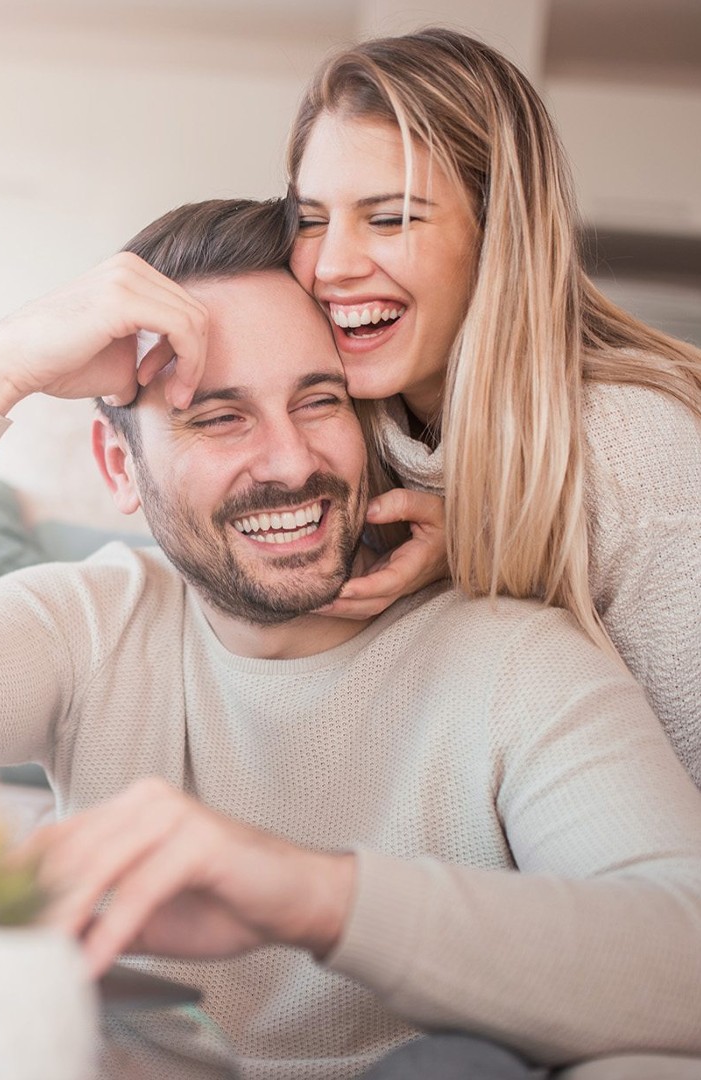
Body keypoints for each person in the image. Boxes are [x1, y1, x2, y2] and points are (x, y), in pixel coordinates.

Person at [0, 199, 701, 1080]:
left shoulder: (513, 660)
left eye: (318, 399)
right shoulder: (88, 625)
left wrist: (312, 896)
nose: (290, 463)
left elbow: (685, 959)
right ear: (116, 467)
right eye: (218, 417)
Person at [283, 27, 701, 786]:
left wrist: (483, 564)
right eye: (311, 219)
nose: (331, 265)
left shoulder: (634, 453)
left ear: (496, 233)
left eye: (390, 218)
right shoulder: (337, 421)